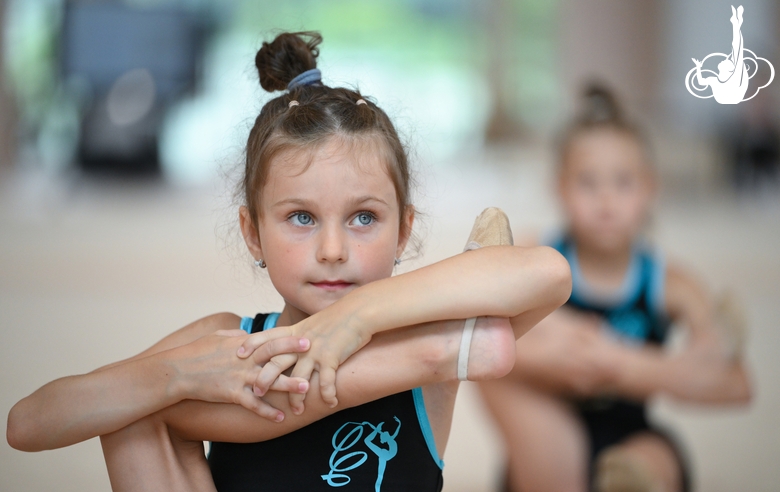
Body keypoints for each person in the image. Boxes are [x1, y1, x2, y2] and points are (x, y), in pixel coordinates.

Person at [7, 32, 571, 492]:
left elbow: (548, 274)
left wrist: (358, 316)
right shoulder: (228, 341)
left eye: (364, 218)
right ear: (252, 234)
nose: (333, 250)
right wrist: (177, 376)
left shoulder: (415, 340)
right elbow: (28, 424)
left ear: (405, 230)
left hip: (418, 342)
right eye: (301, 217)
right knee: (131, 410)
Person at [478, 85, 752, 492]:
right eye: (588, 183)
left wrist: (622, 364)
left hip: (630, 433)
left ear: (649, 189)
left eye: (623, 183)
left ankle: (629, 478)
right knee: (495, 338)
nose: (606, 199)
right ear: (560, 188)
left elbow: (735, 385)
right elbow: (482, 345)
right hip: (548, 432)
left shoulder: (668, 281)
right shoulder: (541, 257)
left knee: (654, 455)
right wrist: (567, 351)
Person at [692, 5, 748, 104]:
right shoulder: (714, 80)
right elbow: (701, 82)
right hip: (727, 102)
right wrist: (698, 67)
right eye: (728, 60)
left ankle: (736, 23)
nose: (725, 59)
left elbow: (737, 49)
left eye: (728, 61)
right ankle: (736, 23)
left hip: (733, 99)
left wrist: (736, 26)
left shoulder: (734, 78)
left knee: (736, 49)